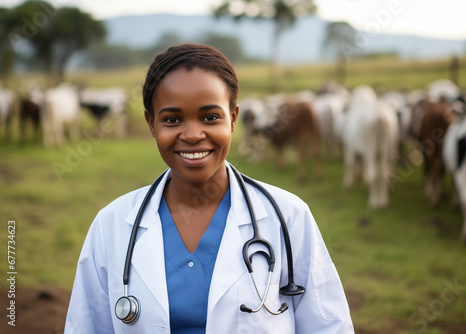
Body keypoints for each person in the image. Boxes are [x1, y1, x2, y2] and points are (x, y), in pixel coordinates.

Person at [65, 43, 354, 333]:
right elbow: (85, 325)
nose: (192, 135)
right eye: (172, 119)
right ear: (151, 124)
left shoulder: (288, 217)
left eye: (210, 117)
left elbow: (329, 326)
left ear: (234, 119)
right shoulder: (111, 225)